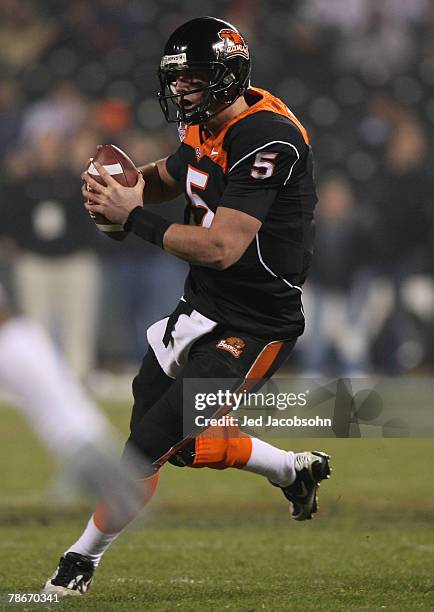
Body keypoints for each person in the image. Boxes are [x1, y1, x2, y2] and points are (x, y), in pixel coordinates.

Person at [43, 17, 331, 596]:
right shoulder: (207, 125)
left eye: (194, 80)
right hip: (200, 306)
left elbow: (223, 247)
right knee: (181, 446)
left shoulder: (265, 135)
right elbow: (175, 176)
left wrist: (133, 218)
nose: (182, 91)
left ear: (227, 78)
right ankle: (290, 470)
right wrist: (127, 190)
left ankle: (77, 563)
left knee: (148, 444)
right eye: (177, 80)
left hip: (254, 324)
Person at [0, 288, 144, 531]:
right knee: (127, 510)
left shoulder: (12, 346)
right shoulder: (26, 334)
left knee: (128, 514)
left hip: (80, 444)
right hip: (91, 435)